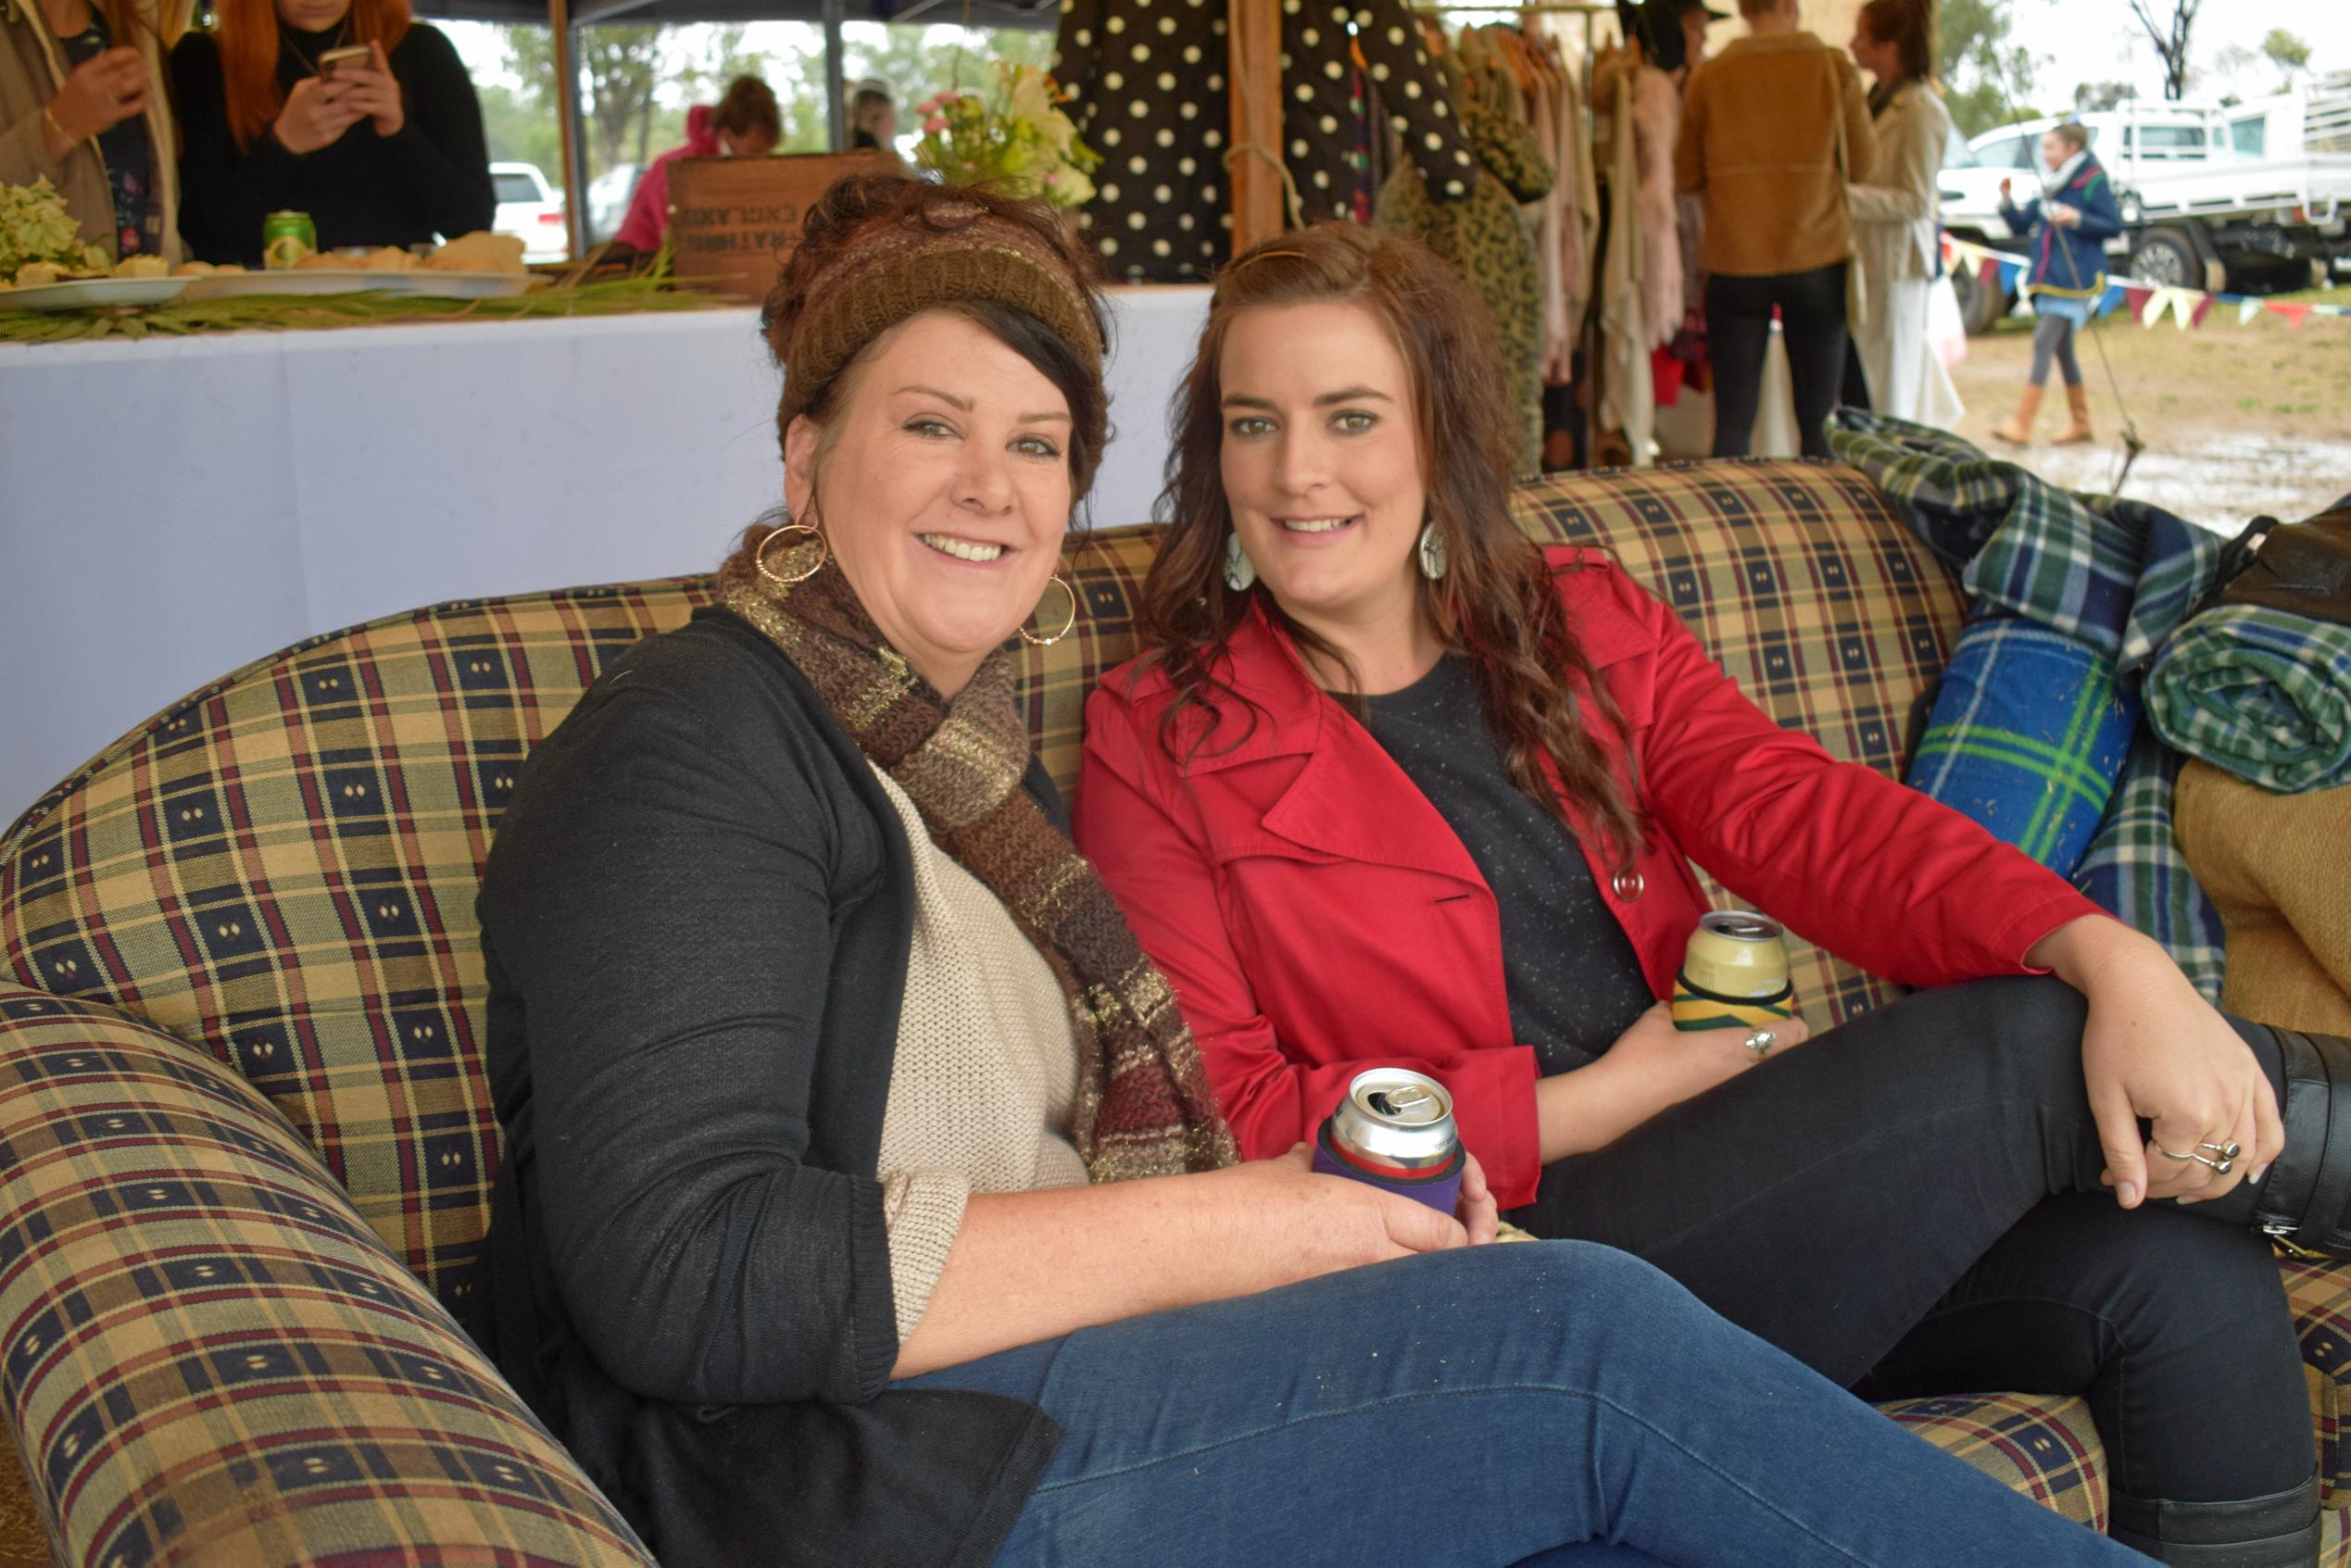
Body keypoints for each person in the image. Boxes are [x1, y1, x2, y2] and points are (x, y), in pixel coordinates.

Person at [469, 174, 2154, 1568]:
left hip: (1045, 1378)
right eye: (929, 425)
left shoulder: (938, 763)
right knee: (1580, 1329)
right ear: (800, 456)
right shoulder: (692, 742)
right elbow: (691, 1279)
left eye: (1039, 442)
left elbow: (1805, 814)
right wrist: (1268, 1214)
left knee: (2126, 1277)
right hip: (872, 1477)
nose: (990, 484)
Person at [1075, 220, 2347, 1567]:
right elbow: (1237, 1118)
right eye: (1251, 422)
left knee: (2180, 1278)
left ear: (1437, 439)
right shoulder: (1160, 735)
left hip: (1742, 1195)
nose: (1296, 472)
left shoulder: (1573, 618)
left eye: (1349, 417)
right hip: (1501, 1263)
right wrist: (1602, 1097)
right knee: (2028, 1037)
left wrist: (2110, 953)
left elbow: (1804, 818)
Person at [1674, 0, 1874, 458]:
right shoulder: (1830, 67)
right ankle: (1818, 524)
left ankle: (1730, 524)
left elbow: (1684, 176)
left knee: (1733, 425)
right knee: (1819, 422)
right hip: (1817, 257)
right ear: (1790, 5)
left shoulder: (1710, 76)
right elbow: (1864, 164)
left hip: (1735, 260)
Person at [169, 0, 488, 265]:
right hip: (262, 306)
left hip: (400, 297)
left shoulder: (421, 51)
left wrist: (398, 130)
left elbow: (472, 222)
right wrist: (282, 145)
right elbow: (204, 236)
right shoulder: (205, 58)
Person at [1842, 0, 1963, 427]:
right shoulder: (1876, 101)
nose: (1852, 44)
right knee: (1866, 387)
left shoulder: (1921, 110)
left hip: (1895, 269)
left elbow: (1914, 200)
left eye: (1861, 35)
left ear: (1887, 44)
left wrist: (1843, 196)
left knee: (1890, 391)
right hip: (1868, 262)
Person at [2, 0, 180, 264]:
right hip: (25, 303)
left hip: (143, 301)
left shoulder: (134, 30)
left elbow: (151, 206)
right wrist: (56, 128)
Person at [1992, 120, 2121, 446]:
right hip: (2049, 276)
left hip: (2075, 278)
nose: (2044, 154)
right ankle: (2082, 423)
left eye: (2050, 147)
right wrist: (2007, 201)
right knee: (2063, 352)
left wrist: (2076, 219)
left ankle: (2022, 423)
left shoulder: (2092, 181)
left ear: (2071, 148)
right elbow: (2023, 223)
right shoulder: (2050, 182)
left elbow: (2113, 225)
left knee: (2043, 340)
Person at [610, 75, 777, 255]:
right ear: (728, 136)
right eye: (754, 152)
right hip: (642, 266)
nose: (762, 160)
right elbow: (677, 242)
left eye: (767, 152)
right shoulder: (678, 169)